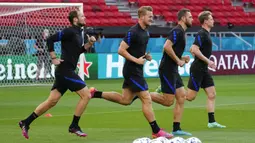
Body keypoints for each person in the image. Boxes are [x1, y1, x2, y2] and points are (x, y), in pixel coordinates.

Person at [90, 6, 173, 139]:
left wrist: (145, 56)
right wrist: (136, 60)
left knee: (126, 100)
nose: (152, 18)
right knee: (146, 98)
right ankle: (156, 130)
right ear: (141, 17)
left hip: (136, 70)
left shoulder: (146, 32)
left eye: (152, 16)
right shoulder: (133, 31)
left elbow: (136, 51)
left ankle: (95, 93)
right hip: (132, 71)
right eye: (149, 16)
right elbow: (121, 50)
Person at [18, 10, 96, 139]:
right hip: (65, 70)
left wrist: (89, 44)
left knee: (51, 102)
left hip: (65, 71)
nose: (85, 16)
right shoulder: (70, 31)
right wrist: (53, 57)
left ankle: (25, 122)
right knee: (86, 95)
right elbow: (50, 39)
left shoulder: (78, 32)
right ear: (75, 19)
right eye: (82, 15)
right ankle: (74, 126)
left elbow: (78, 51)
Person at [150, 8, 193, 136]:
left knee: (181, 97)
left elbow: (172, 50)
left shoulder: (181, 32)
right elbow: (166, 46)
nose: (192, 19)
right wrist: (178, 61)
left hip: (173, 69)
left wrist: (181, 58)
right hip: (168, 69)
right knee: (168, 101)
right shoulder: (177, 31)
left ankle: (176, 128)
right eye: (190, 17)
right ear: (183, 18)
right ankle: (142, 94)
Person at [186, 11, 226, 128]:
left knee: (212, 94)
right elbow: (194, 48)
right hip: (198, 68)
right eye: (211, 19)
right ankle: (168, 90)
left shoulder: (206, 34)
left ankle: (212, 122)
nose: (213, 20)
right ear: (205, 21)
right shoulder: (201, 33)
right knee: (190, 97)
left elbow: (192, 49)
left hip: (203, 69)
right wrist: (208, 61)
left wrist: (195, 53)